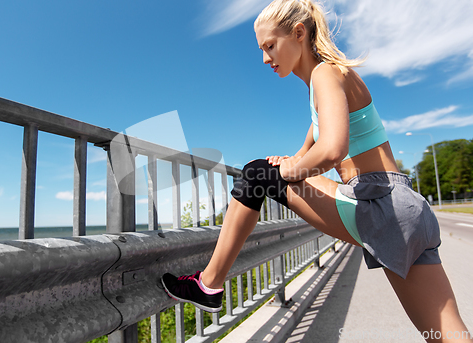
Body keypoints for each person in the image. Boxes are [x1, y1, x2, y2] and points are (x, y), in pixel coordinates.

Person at [161, 0, 472, 340]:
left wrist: (286, 172)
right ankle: (209, 283)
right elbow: (309, 147)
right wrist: (290, 163)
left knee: (255, 174)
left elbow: (331, 149)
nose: (265, 58)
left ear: (298, 33)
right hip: (404, 207)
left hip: (377, 202)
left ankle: (209, 284)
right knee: (447, 332)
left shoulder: (326, 74)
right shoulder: (324, 82)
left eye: (270, 46)